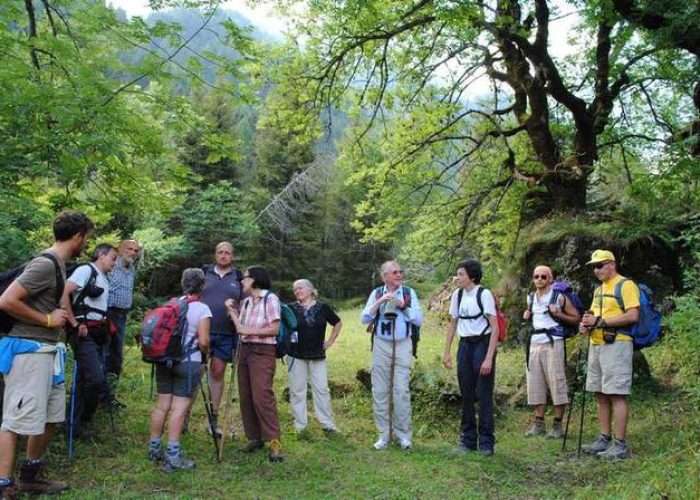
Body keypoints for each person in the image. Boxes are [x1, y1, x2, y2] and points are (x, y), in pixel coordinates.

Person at [0, 210, 93, 497]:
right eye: (87, 238)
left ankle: (30, 475)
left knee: (50, 417)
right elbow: (6, 300)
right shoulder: (44, 264)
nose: (87, 244)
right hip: (30, 352)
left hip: (50, 351)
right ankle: (4, 485)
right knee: (15, 420)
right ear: (77, 237)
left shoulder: (59, 266)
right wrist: (48, 320)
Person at [148, 268, 211, 472]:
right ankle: (173, 456)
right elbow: (203, 341)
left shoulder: (172, 304)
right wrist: (207, 354)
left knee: (161, 406)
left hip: (164, 360)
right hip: (188, 363)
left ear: (183, 283)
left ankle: (154, 448)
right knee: (179, 409)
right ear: (202, 286)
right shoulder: (202, 309)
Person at [580, 250, 639, 460]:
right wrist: (585, 324)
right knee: (600, 392)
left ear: (612, 264)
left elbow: (633, 315)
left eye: (600, 265)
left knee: (616, 393)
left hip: (618, 344)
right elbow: (593, 315)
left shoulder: (626, 285)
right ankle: (604, 438)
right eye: (594, 267)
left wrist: (601, 322)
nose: (596, 270)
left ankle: (620, 445)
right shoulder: (598, 291)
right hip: (597, 344)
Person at [360, 260, 423, 451]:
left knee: (401, 390)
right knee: (380, 389)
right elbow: (363, 319)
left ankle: (403, 435)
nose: (399, 275)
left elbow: (419, 320)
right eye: (394, 272)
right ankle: (384, 435)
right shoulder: (377, 293)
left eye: (400, 271)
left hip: (403, 344)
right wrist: (379, 303)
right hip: (381, 344)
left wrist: (402, 306)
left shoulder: (408, 293)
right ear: (384, 276)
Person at [225, 266, 283, 463]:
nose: (242, 280)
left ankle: (274, 441)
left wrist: (248, 330)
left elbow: (274, 329)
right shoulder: (247, 302)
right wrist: (232, 311)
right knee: (246, 396)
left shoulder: (270, 299)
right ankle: (255, 438)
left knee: (262, 396)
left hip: (263, 351)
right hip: (244, 350)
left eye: (245, 277)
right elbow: (240, 328)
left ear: (255, 279)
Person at [443, 259, 500, 456]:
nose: (457, 278)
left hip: (482, 345)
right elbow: (453, 323)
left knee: (484, 394)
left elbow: (495, 327)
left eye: (461, 274)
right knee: (466, 394)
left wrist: (488, 358)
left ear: (472, 276)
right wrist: (447, 351)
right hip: (465, 346)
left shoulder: (484, 295)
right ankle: (467, 441)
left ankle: (486, 442)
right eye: (457, 274)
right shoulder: (457, 296)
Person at [62, 243, 118, 438]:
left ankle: (73, 425)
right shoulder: (86, 270)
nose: (114, 263)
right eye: (112, 258)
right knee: (95, 378)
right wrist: (74, 323)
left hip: (98, 333)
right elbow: (64, 293)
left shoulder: (104, 279)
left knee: (83, 379)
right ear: (101, 255)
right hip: (83, 332)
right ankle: (83, 419)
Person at [522, 265, 581, 439]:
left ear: (550, 279)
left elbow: (576, 317)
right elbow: (533, 318)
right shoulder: (531, 297)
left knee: (557, 382)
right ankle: (538, 424)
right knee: (535, 383)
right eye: (536, 276)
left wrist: (560, 314)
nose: (539, 279)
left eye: (543, 276)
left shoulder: (558, 297)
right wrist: (527, 315)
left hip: (553, 342)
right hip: (534, 343)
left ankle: (557, 426)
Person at [199, 242, 244, 437]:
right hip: (201, 332)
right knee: (196, 372)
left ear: (232, 256)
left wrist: (236, 313)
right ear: (215, 254)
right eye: (220, 252)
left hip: (226, 333)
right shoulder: (204, 273)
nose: (224, 255)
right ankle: (183, 416)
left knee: (218, 373)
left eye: (227, 253)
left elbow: (245, 305)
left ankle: (213, 419)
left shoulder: (240, 278)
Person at [287, 279, 342, 435]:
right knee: (297, 390)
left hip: (317, 354)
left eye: (300, 288)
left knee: (322, 389)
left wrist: (330, 341)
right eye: (295, 289)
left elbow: (337, 322)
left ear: (310, 290)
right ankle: (300, 425)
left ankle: (327, 424)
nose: (297, 291)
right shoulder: (290, 309)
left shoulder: (322, 307)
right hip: (296, 354)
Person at [105, 238, 140, 394]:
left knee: (117, 355)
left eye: (135, 250)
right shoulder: (111, 265)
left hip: (121, 316)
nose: (133, 252)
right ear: (120, 249)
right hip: (107, 313)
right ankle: (98, 392)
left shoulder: (131, 268)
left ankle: (110, 392)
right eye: (129, 249)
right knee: (105, 352)